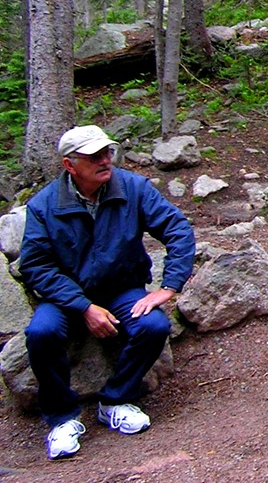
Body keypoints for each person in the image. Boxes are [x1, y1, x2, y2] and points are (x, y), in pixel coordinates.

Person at [19, 125, 196, 461]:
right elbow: (36, 266)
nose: (105, 161)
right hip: (65, 297)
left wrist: (169, 286)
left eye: (107, 153)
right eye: (94, 156)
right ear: (70, 166)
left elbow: (177, 229)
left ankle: (115, 400)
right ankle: (61, 418)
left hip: (121, 289)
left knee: (153, 326)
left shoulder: (133, 188)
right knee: (41, 333)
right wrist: (84, 306)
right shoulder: (44, 205)